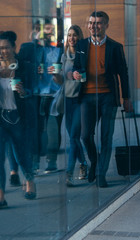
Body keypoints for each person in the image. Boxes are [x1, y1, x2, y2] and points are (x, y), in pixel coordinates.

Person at [73, 11, 133, 188]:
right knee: (85, 136)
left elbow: (123, 73)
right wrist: (75, 73)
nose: (94, 26)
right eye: (91, 23)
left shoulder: (115, 47)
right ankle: (95, 162)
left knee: (106, 137)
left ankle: (101, 174)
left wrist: (127, 97)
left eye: (98, 23)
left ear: (106, 25)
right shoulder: (82, 44)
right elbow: (77, 66)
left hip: (108, 96)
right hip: (87, 97)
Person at [18, 17, 63, 174]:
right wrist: (33, 69)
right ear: (37, 30)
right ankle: (35, 162)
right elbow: (20, 66)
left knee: (53, 129)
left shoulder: (60, 48)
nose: (49, 32)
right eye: (46, 28)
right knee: (35, 129)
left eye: (51, 29)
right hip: (36, 93)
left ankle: (52, 161)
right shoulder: (30, 48)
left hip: (54, 93)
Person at [0, 31, 36, 209]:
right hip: (1, 117)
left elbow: (33, 90)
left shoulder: (24, 67)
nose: (3, 51)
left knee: (21, 154)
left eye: (6, 47)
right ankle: (0, 195)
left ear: (14, 48)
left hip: (18, 117)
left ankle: (29, 181)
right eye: (0, 48)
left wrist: (23, 92)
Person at [50, 25, 87, 186]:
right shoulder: (63, 56)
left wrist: (79, 76)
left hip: (80, 100)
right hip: (67, 100)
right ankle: (84, 163)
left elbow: (87, 78)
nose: (72, 38)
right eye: (69, 35)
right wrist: (55, 75)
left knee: (73, 137)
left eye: (75, 35)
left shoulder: (84, 54)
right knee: (75, 138)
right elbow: (60, 82)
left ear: (80, 37)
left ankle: (69, 173)